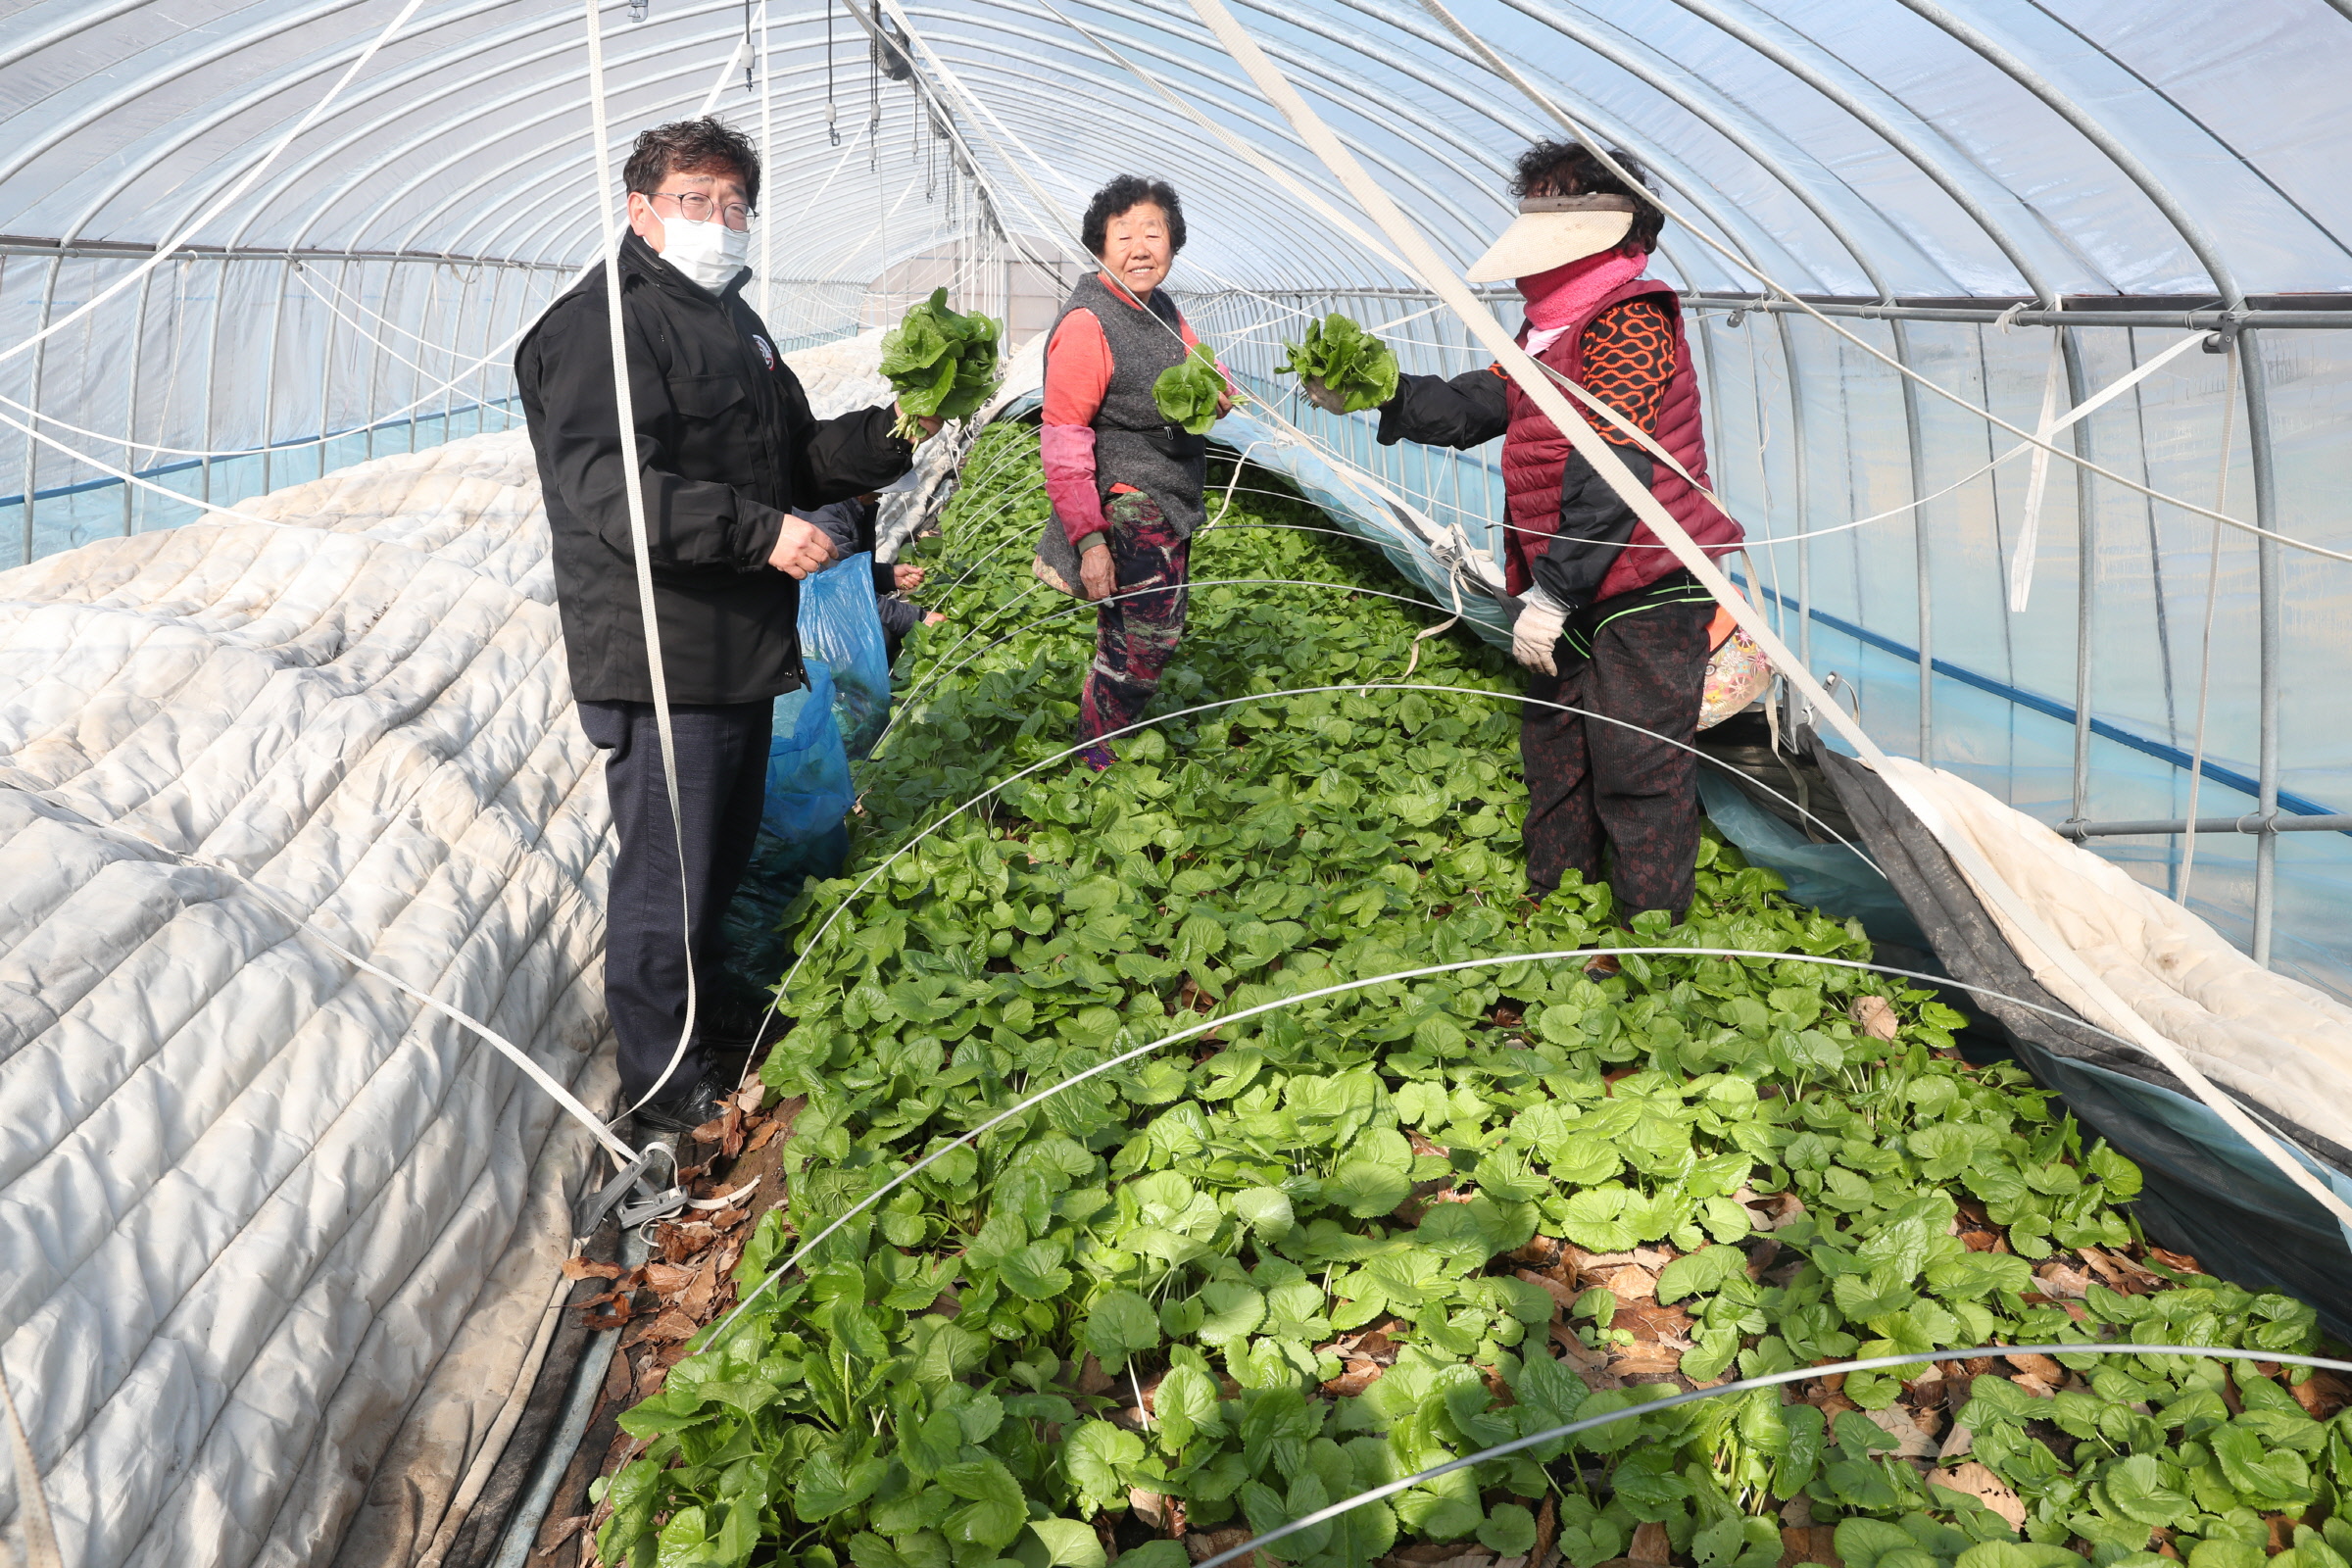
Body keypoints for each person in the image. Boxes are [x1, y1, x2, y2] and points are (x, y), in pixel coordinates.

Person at [516, 118, 936, 1137]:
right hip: (665, 650)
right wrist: (759, 533)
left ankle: (710, 1030)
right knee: (669, 878)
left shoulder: (733, 324)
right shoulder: (601, 328)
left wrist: (896, 432)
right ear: (640, 210)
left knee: (714, 859)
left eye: (734, 204)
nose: (717, 220)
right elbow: (611, 491)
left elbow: (795, 452)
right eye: (693, 201)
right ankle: (663, 1096)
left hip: (736, 647)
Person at [1328, 140, 1741, 937]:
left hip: (1648, 581)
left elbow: (1613, 463)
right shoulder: (1550, 329)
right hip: (1578, 573)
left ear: (1606, 225)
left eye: (1555, 201)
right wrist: (1380, 391)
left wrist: (1553, 592)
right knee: (1554, 741)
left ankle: (1648, 935)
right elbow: (1483, 404)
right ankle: (1559, 909)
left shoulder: (1628, 318)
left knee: (1637, 762)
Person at [1037, 174, 1232, 770]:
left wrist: (1220, 390)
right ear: (1101, 244)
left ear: (1174, 244)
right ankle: (1096, 761)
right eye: (1124, 234)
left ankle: (1095, 750)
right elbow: (1064, 441)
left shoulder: (1162, 308)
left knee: (1132, 634)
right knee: (1146, 642)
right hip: (1125, 500)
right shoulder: (1088, 323)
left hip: (1167, 490)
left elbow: (1202, 368)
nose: (1141, 246)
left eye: (1155, 232)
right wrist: (1089, 541)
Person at [796, 494, 945, 665]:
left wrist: (887, 575)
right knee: (877, 638)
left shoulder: (850, 504)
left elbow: (844, 567)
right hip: (806, 623)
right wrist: (917, 618)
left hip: (824, 601)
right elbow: (846, 592)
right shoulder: (823, 518)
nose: (882, 493)